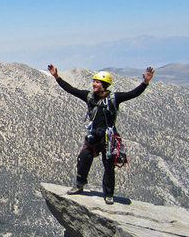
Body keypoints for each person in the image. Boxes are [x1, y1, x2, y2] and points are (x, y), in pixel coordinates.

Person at [47, 64, 154, 204]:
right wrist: (56, 77)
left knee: (109, 165)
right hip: (93, 136)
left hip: (108, 138)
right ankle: (79, 185)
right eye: (94, 81)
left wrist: (145, 82)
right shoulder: (89, 97)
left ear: (104, 84)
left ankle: (108, 194)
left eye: (97, 82)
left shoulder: (114, 98)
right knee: (84, 159)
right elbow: (71, 90)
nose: (94, 84)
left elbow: (132, 94)